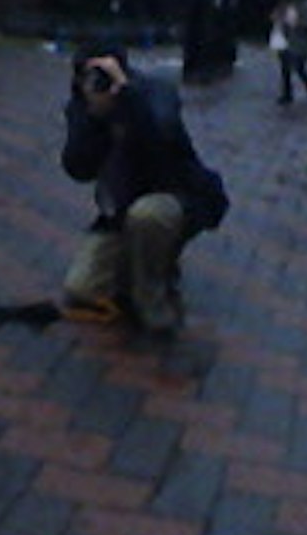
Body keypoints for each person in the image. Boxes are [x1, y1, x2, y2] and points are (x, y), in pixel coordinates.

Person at [61, 42, 227, 342]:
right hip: (120, 210)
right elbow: (78, 169)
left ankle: (151, 293)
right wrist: (95, 118)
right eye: (90, 75)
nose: (100, 82)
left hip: (175, 195)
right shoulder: (83, 104)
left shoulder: (155, 93)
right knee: (82, 288)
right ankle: (143, 261)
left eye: (106, 73)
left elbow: (162, 146)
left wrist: (127, 98)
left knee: (148, 217)